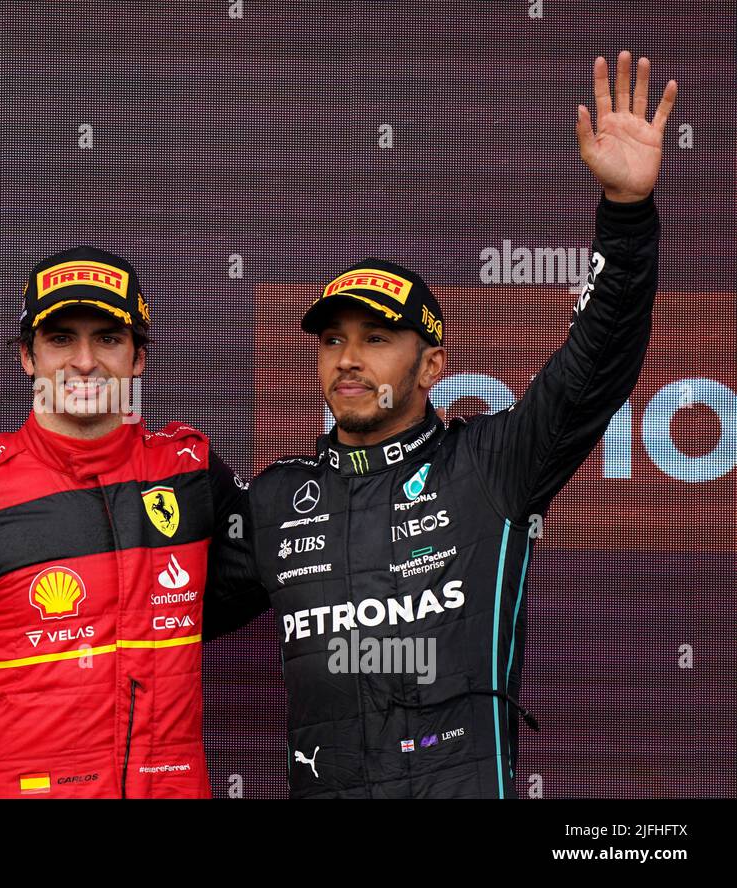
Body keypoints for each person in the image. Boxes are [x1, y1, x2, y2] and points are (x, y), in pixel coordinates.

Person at [245, 52, 677, 798]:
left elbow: (595, 364)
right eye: (332, 340)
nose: (349, 360)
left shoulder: (490, 465)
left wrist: (626, 216)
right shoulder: (275, 498)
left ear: (434, 366)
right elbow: (153, 605)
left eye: (377, 339)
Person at [0, 247, 263, 798]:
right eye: (60, 339)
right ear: (27, 357)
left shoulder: (191, 473)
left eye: (108, 338)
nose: (84, 361)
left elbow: (261, 579)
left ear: (138, 358)